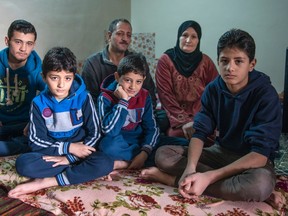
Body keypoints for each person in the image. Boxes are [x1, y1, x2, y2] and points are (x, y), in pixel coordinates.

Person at [141, 29, 284, 209]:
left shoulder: (266, 95)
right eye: (224, 61)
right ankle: (219, 184)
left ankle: (173, 180)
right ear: (218, 61)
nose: (230, 68)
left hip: (251, 161)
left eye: (238, 61)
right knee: (163, 154)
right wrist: (190, 169)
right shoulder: (213, 89)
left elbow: (260, 156)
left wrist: (208, 176)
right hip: (220, 152)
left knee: (259, 185)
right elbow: (199, 133)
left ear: (251, 64)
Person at [8, 47, 128, 198]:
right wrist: (68, 148)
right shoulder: (38, 103)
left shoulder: (85, 98)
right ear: (43, 77)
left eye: (67, 78)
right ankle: (81, 172)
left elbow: (95, 134)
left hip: (80, 152)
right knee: (24, 164)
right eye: (54, 78)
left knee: (104, 162)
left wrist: (70, 157)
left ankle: (49, 181)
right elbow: (35, 141)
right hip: (54, 151)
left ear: (73, 76)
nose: (61, 84)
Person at [156, 20, 218, 140]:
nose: (188, 40)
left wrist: (198, 119)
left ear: (198, 40)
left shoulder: (206, 62)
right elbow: (165, 94)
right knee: (176, 135)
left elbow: (214, 93)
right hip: (173, 114)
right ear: (178, 37)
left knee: (209, 136)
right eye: (184, 35)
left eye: (194, 37)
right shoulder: (166, 60)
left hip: (200, 114)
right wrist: (184, 121)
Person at [97, 53, 160, 169]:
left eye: (138, 82)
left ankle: (128, 161)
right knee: (106, 147)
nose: (133, 87)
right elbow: (108, 131)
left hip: (138, 142)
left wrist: (144, 153)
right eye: (128, 80)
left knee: (166, 147)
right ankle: (130, 162)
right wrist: (123, 101)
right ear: (117, 77)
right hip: (117, 142)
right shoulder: (104, 97)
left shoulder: (145, 96)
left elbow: (152, 128)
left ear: (144, 80)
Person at [81, 18, 157, 108]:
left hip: (137, 116)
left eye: (128, 35)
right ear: (109, 36)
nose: (125, 39)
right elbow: (89, 101)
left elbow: (150, 93)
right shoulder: (93, 64)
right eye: (120, 34)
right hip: (105, 117)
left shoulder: (138, 61)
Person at [0, 19, 46, 156]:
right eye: (18, 42)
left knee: (40, 141)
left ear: (34, 45)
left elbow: (52, 93)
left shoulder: (39, 67)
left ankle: (13, 146)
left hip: (24, 125)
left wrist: (34, 119)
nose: (23, 49)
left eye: (29, 43)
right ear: (7, 40)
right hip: (2, 124)